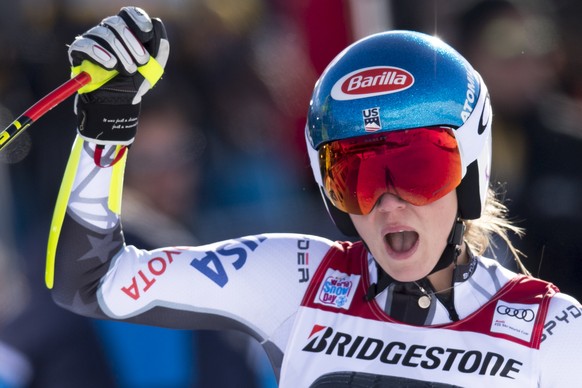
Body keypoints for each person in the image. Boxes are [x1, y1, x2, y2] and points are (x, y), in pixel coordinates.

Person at [47, 6, 581, 387]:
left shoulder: (555, 333)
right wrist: (107, 126)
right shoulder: (296, 279)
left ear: (469, 169)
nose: (387, 204)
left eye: (417, 168)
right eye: (356, 177)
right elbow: (93, 281)